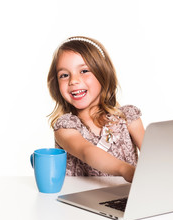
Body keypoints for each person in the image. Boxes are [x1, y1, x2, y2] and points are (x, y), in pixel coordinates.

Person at [47, 36, 145, 182]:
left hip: (126, 199)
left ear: (103, 74)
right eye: (64, 75)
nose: (73, 80)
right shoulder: (66, 127)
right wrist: (126, 170)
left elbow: (155, 158)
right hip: (80, 201)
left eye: (84, 71)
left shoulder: (128, 118)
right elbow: (87, 152)